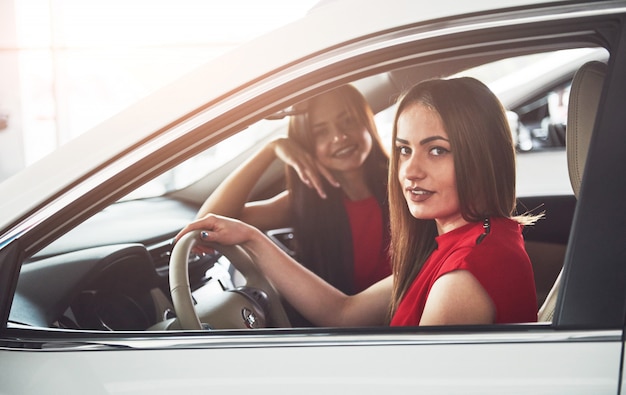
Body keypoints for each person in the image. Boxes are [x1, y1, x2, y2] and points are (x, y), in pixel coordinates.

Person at [177, 77, 540, 327]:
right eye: (404, 150)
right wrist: (253, 237)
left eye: (437, 150)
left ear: (481, 156)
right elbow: (343, 312)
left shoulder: (463, 274)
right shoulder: (463, 244)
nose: (410, 171)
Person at [194, 84, 391, 296]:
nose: (339, 137)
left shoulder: (404, 181)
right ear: (305, 143)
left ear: (367, 122)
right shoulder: (305, 204)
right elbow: (205, 225)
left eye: (348, 121)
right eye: (321, 131)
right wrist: (270, 150)